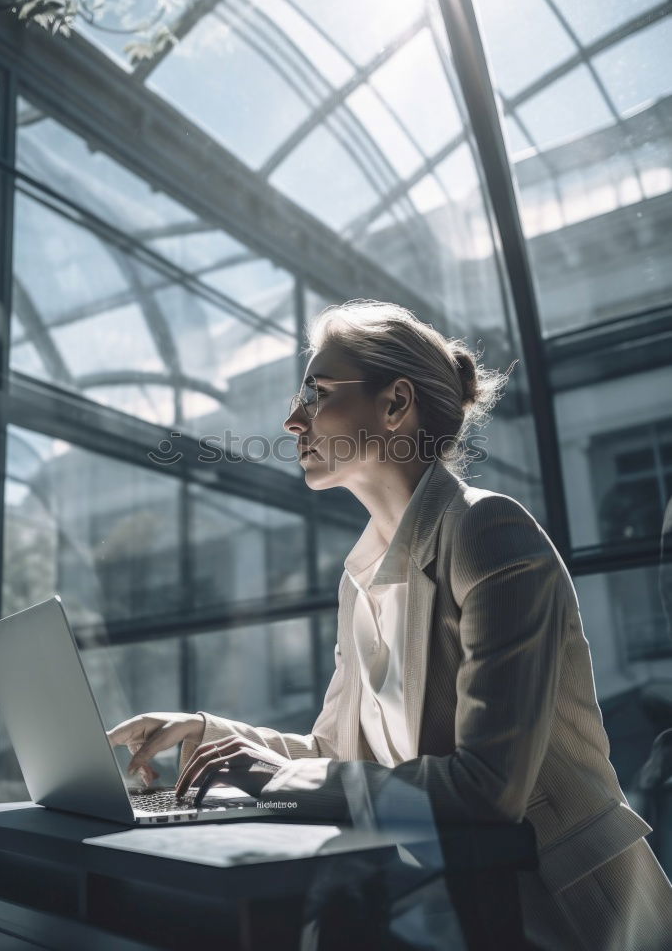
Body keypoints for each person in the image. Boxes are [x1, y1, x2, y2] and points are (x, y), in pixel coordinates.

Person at [108, 300, 672, 949]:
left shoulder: (489, 534)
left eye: (316, 394)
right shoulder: (363, 574)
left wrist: (270, 776)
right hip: (440, 907)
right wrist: (207, 733)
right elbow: (335, 758)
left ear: (395, 404)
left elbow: (486, 791)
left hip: (560, 915)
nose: (292, 420)